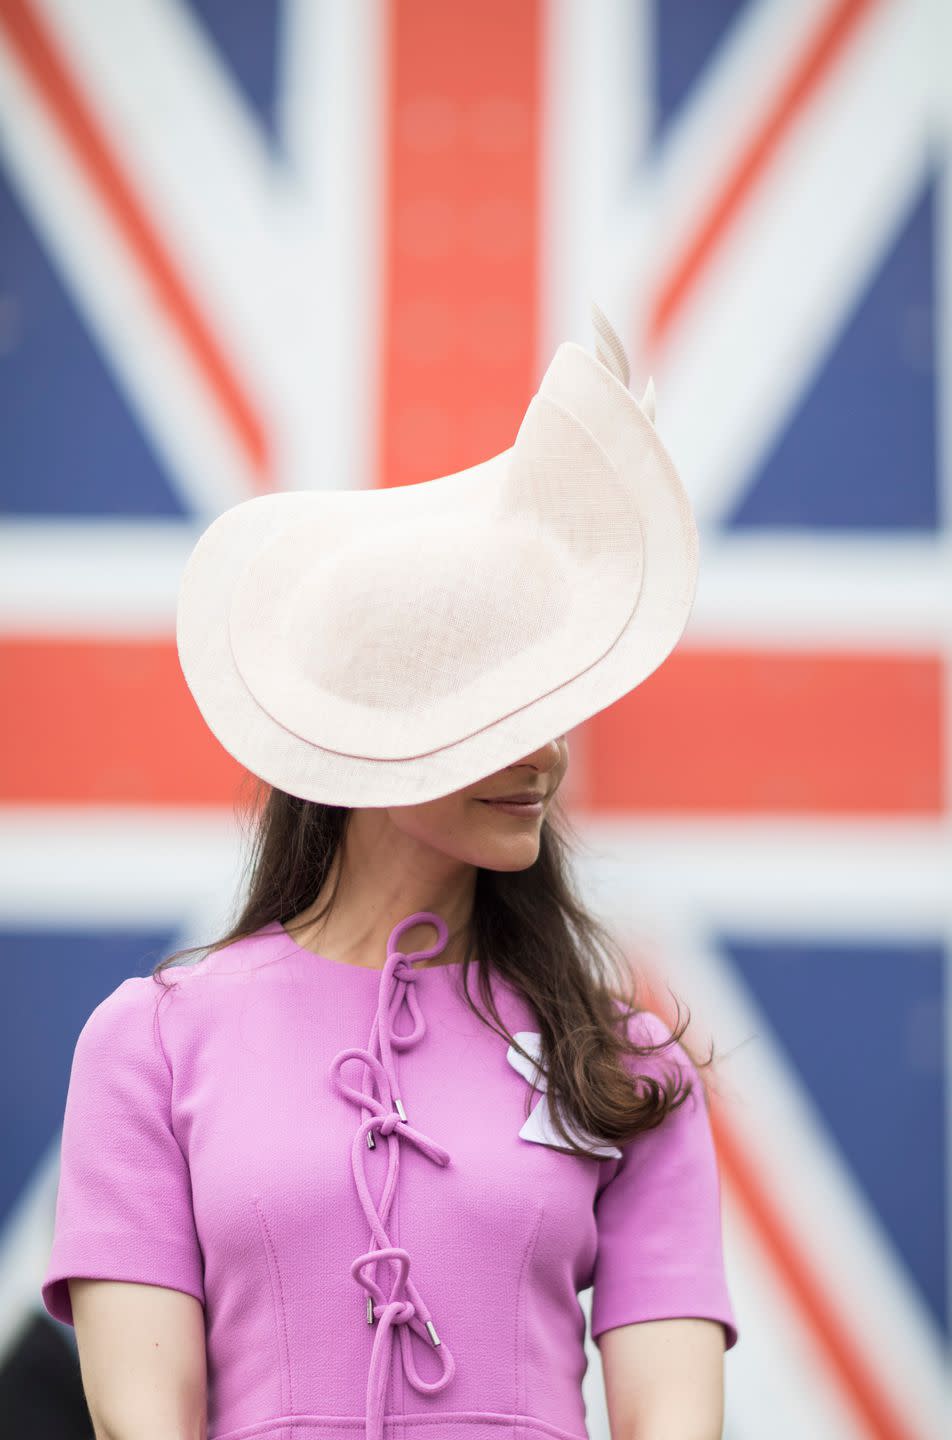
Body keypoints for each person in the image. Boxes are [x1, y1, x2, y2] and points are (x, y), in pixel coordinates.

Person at [41, 303, 740, 1440]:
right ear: (362, 739)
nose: (547, 753)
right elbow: (139, 1420)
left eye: (552, 710)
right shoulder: (152, 1044)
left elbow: (675, 1425)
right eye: (491, 713)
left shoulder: (625, 1067)